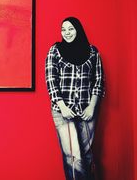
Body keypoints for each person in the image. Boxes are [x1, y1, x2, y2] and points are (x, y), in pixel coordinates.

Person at [45, 17, 105, 180]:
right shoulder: (55, 51)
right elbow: (51, 80)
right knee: (73, 157)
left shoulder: (93, 52)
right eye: (63, 29)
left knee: (86, 155)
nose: (66, 33)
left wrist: (92, 106)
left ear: (78, 29)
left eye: (70, 29)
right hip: (63, 111)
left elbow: (99, 81)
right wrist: (62, 106)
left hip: (87, 110)